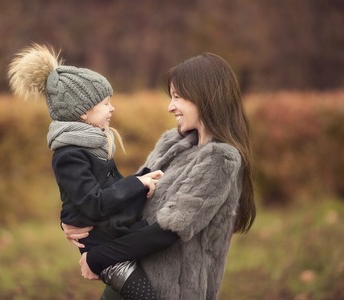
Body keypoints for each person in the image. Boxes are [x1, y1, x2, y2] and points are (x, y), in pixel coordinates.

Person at [63, 52, 256, 299]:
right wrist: (73, 219)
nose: (170, 106)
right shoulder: (172, 143)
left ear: (205, 97)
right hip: (129, 278)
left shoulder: (220, 159)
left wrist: (100, 257)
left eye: (177, 97)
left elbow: (166, 232)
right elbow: (127, 201)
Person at [7, 43, 179, 300]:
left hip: (117, 236)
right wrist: (137, 184)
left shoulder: (93, 144)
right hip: (108, 253)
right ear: (84, 112)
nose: (112, 109)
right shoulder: (69, 155)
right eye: (106, 103)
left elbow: (111, 190)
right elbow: (93, 204)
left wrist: (143, 180)